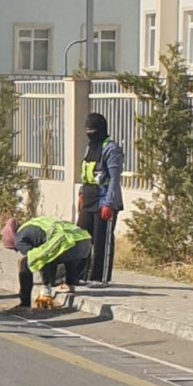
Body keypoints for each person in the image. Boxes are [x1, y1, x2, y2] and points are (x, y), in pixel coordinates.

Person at [1, 216, 92, 309]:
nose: (17, 250)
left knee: (25, 262)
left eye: (13, 248)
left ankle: (25, 304)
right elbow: (52, 254)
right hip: (84, 241)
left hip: (66, 243)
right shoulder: (35, 223)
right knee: (57, 250)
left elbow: (39, 259)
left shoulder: (18, 239)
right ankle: (70, 284)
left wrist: (45, 289)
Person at [77, 112, 124, 284]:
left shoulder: (111, 149)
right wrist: (81, 193)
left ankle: (99, 277)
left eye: (93, 130)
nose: (90, 133)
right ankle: (80, 275)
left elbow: (114, 179)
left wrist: (108, 204)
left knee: (101, 239)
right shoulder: (89, 147)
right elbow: (86, 174)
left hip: (104, 200)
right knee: (81, 236)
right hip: (88, 197)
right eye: (87, 130)